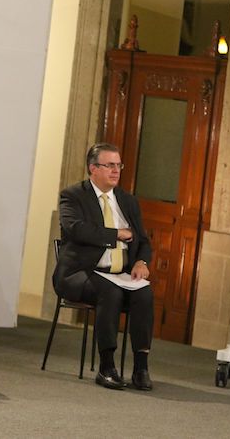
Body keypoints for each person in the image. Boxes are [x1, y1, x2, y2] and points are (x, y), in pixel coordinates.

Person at [53, 143, 154, 391]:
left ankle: (141, 368)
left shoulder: (128, 201)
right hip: (80, 273)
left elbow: (142, 239)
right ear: (93, 169)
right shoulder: (73, 195)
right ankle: (106, 367)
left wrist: (141, 261)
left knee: (144, 293)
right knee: (110, 292)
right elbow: (76, 229)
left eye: (118, 165)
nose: (116, 171)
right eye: (109, 165)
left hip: (118, 275)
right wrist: (115, 234)